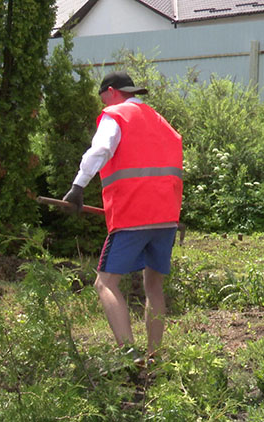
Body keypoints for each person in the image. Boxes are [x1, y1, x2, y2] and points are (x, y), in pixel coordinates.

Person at [63, 70, 183, 362]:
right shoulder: (159, 120)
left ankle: (130, 356)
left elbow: (102, 149)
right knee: (153, 285)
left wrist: (78, 186)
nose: (101, 102)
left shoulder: (115, 115)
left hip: (132, 214)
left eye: (101, 96)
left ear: (111, 91)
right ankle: (154, 356)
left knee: (105, 283)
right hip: (166, 215)